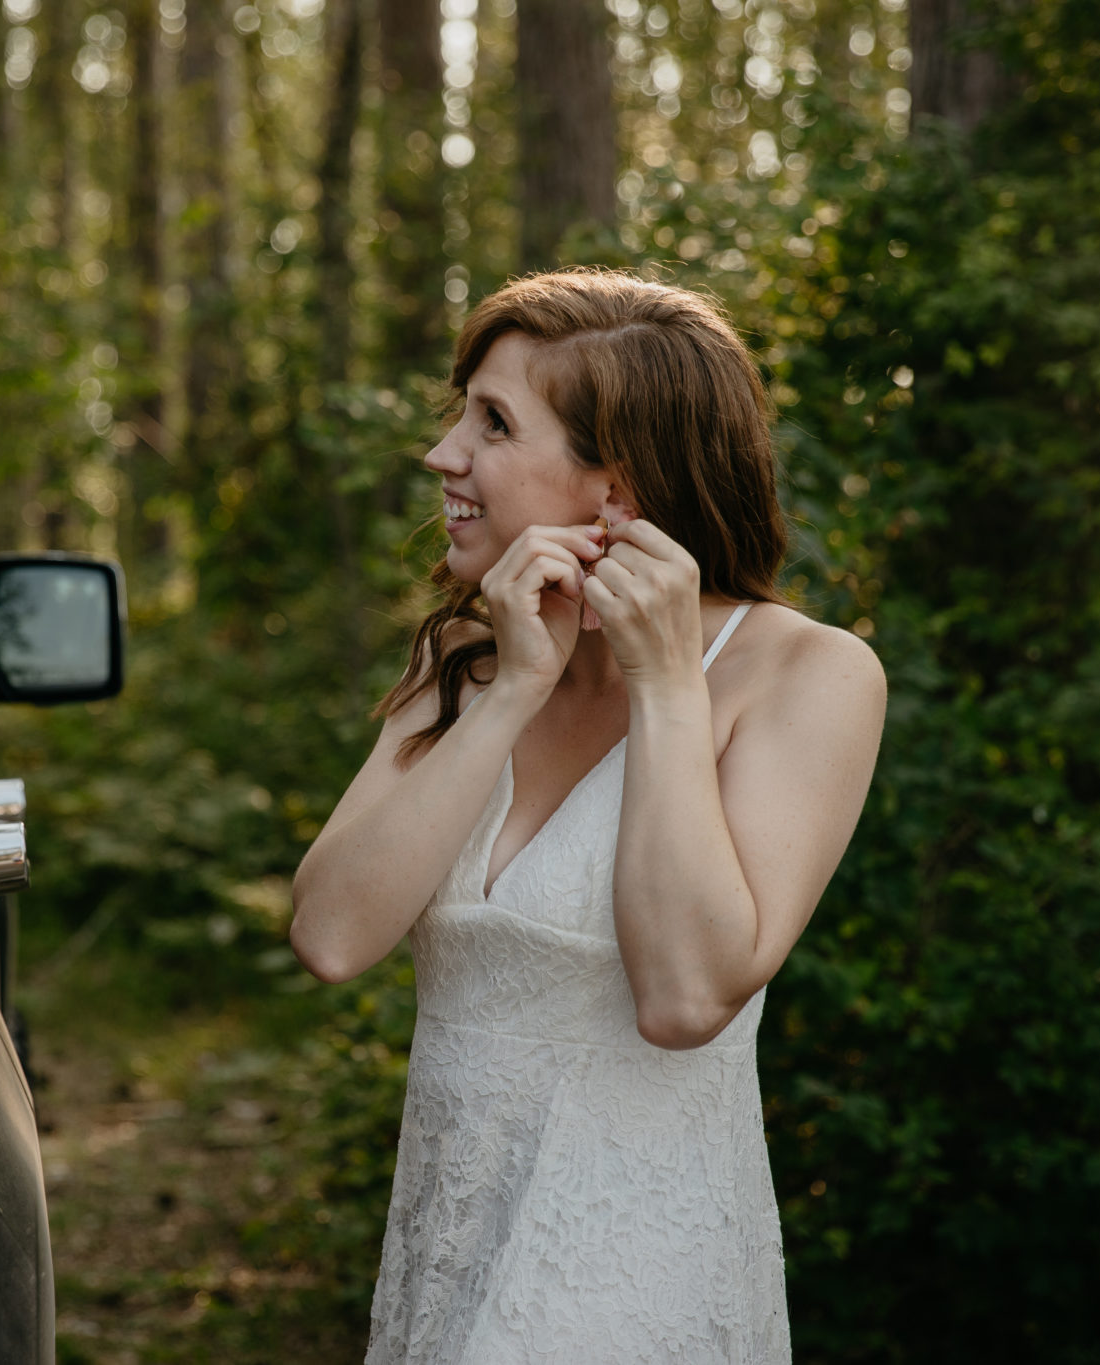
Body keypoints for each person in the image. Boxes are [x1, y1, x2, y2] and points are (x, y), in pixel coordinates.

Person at [289, 268, 886, 1363]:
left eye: (493, 423)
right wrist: (512, 686)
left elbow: (686, 995)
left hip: (636, 1279)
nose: (443, 457)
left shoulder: (809, 676)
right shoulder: (464, 661)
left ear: (617, 487)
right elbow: (331, 936)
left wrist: (664, 684)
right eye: (459, 412)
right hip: (442, 1268)